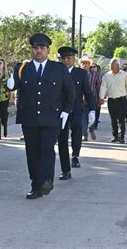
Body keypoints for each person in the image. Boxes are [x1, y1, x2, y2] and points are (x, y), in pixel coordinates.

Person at [7, 34, 75, 199]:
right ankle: (35, 185)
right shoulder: (23, 68)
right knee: (32, 152)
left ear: (48, 50)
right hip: (29, 117)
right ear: (32, 49)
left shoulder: (58, 69)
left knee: (46, 149)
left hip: (52, 117)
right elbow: (14, 84)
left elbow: (70, 91)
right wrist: (10, 82)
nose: (38, 51)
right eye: (36, 48)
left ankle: (46, 181)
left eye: (42, 48)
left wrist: (66, 110)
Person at [57, 47, 95, 180]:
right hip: (61, 110)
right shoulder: (56, 72)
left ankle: (75, 155)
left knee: (77, 129)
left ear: (74, 60)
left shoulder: (81, 73)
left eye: (69, 58)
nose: (67, 61)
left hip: (76, 108)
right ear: (60, 59)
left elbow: (88, 92)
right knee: (62, 138)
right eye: (64, 58)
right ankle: (65, 170)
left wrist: (92, 110)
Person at [99, 59, 127, 144]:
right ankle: (115, 136)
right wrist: (101, 97)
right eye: (110, 66)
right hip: (111, 100)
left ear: (118, 66)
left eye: (113, 65)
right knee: (113, 119)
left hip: (122, 100)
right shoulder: (106, 76)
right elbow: (103, 87)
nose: (111, 67)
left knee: (121, 119)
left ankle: (121, 137)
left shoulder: (124, 75)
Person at [79, 55, 101, 140]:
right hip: (80, 99)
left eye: (86, 63)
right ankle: (84, 134)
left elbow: (98, 85)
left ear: (89, 64)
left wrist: (100, 97)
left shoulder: (94, 74)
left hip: (92, 98)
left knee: (91, 116)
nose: (84, 64)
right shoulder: (78, 73)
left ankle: (91, 130)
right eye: (82, 63)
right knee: (83, 117)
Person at [0, 58, 11, 140]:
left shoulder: (7, 75)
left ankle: (5, 124)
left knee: (3, 115)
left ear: (3, 65)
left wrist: (11, 97)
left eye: (0, 63)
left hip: (4, 98)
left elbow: (10, 87)